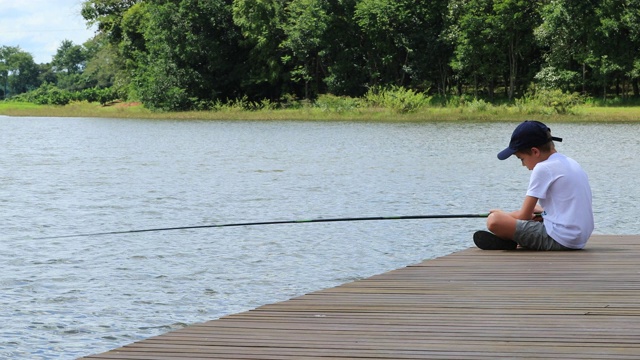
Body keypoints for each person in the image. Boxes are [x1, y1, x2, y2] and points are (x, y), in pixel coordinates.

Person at [474, 120, 594, 250]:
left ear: (535, 152)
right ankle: (513, 238)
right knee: (536, 209)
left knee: (494, 220)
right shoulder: (570, 162)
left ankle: (511, 237)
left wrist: (503, 214)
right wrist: (543, 213)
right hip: (579, 239)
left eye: (521, 158)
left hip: (560, 239)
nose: (523, 164)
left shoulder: (543, 168)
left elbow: (524, 216)